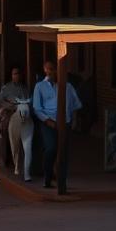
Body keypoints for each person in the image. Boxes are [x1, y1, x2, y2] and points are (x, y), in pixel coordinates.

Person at [32, 60, 82, 193]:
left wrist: (74, 121)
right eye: (48, 69)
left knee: (64, 152)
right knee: (51, 148)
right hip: (49, 122)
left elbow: (75, 105)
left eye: (53, 69)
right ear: (45, 69)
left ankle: (62, 181)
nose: (51, 72)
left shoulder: (68, 86)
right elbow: (37, 108)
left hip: (65, 123)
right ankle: (48, 177)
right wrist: (48, 121)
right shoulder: (40, 87)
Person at [0, 66, 28, 173]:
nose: (16, 76)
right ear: (11, 75)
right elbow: (1, 100)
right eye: (14, 74)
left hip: (22, 112)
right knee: (5, 129)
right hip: (9, 111)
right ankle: (4, 158)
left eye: (18, 73)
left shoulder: (24, 88)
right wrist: (10, 106)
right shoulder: (6, 87)